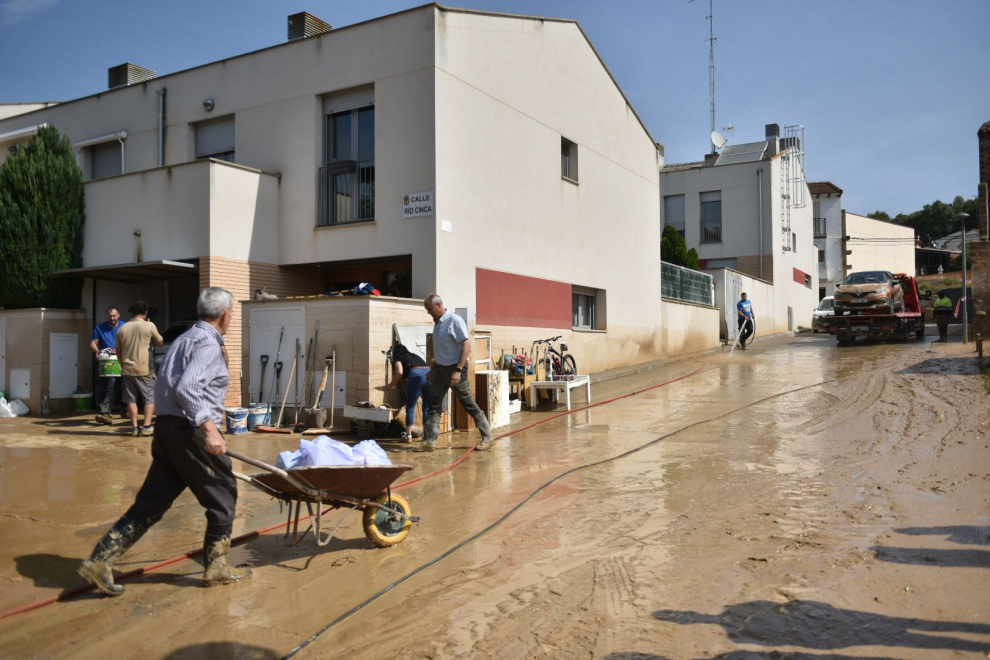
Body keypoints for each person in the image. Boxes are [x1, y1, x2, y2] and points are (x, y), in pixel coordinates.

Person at [77, 287, 250, 596]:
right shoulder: (207, 344)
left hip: (168, 428)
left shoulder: (183, 339)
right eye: (233, 311)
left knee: (152, 502)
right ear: (226, 314)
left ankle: (100, 560)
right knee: (223, 494)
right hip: (190, 429)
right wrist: (210, 429)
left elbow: (166, 386)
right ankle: (217, 569)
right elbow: (188, 389)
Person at [411, 294, 494, 453]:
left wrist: (457, 370)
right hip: (440, 370)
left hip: (455, 370)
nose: (429, 313)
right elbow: (442, 349)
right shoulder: (438, 323)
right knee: (433, 404)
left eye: (430, 309)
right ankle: (430, 441)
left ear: (439, 305)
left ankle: (487, 437)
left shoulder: (454, 321)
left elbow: (466, 345)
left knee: (468, 404)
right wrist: (434, 368)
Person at [116, 301, 164, 437]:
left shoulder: (122, 328)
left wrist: (122, 364)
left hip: (127, 369)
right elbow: (160, 342)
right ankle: (147, 426)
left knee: (131, 399)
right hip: (145, 369)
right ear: (146, 312)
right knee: (150, 397)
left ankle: (135, 428)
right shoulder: (149, 325)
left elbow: (118, 350)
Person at [383, 343, 431, 441]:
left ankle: (408, 436)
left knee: (410, 407)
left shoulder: (398, 358)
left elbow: (400, 372)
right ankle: (427, 435)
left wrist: (390, 385)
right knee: (426, 407)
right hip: (429, 373)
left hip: (416, 374)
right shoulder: (415, 356)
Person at [90, 307, 125, 425]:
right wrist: (97, 351)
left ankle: (124, 409)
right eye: (110, 316)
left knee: (123, 386)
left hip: (122, 360)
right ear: (107, 316)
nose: (112, 318)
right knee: (106, 385)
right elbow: (93, 343)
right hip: (107, 361)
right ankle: (104, 412)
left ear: (118, 315)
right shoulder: (100, 328)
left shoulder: (124, 327)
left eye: (114, 316)